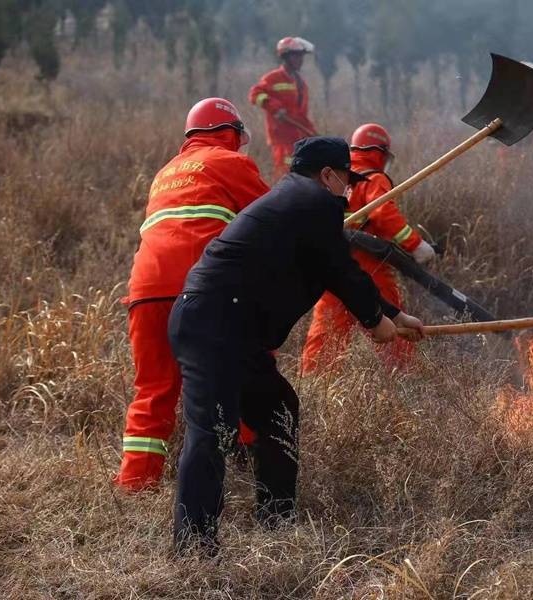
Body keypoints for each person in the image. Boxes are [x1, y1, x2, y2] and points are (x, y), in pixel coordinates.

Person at [168, 136, 425, 554]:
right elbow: (341, 269)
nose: (348, 190)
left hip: (230, 327)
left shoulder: (298, 203)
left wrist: (392, 316)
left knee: (277, 408)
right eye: (346, 180)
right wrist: (376, 322)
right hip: (213, 324)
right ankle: (193, 549)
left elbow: (331, 268)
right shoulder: (314, 203)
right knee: (212, 431)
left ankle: (277, 520)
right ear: (327, 174)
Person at [114, 98, 269, 492]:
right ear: (231, 132)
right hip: (201, 291)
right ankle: (250, 462)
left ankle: (136, 483)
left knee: (152, 388)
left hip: (146, 292)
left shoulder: (165, 173)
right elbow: (274, 215)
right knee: (248, 367)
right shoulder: (231, 163)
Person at [300, 123, 435, 374]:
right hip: (370, 265)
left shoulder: (336, 175)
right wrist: (417, 246)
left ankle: (314, 380)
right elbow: (384, 214)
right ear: (379, 151)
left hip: (333, 265)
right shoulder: (373, 177)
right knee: (393, 323)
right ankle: (404, 377)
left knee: (328, 328)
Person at [248, 36, 317, 182]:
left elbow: (301, 114)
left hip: (297, 138)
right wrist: (274, 107)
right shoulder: (273, 78)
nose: (300, 60)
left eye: (301, 56)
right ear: (285, 57)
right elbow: (255, 94)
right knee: (284, 175)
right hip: (280, 137)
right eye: (296, 56)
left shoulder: (301, 83)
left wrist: (313, 133)